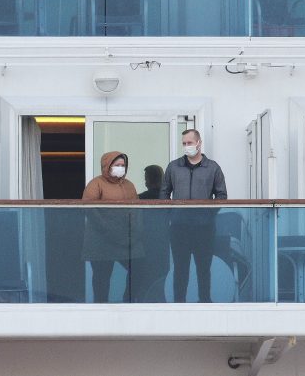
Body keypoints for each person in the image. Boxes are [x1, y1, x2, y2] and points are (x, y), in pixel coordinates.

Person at [160, 129, 227, 303]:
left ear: (199, 143)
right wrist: (172, 213)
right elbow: (164, 192)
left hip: (204, 228)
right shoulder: (174, 166)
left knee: (204, 268)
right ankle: (179, 304)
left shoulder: (212, 167)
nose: (186, 146)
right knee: (180, 268)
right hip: (179, 227)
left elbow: (221, 196)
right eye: (184, 143)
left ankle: (205, 302)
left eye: (189, 143)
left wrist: (207, 214)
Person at [81, 151, 143, 303]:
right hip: (102, 241)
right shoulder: (96, 184)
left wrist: (135, 232)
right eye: (117, 165)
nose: (120, 168)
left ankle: (128, 301)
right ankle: (100, 307)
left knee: (139, 270)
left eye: (123, 165)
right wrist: (107, 230)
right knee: (102, 278)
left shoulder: (129, 185)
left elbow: (137, 210)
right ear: (107, 166)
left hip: (127, 240)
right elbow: (88, 208)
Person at [132, 164, 169, 302]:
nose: (145, 181)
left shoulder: (139, 199)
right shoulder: (168, 200)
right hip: (162, 246)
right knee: (158, 278)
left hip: (144, 244)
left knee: (141, 278)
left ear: (151, 179)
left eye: (146, 178)